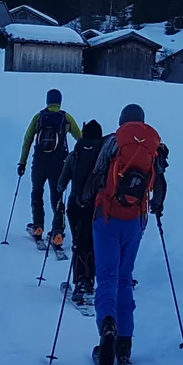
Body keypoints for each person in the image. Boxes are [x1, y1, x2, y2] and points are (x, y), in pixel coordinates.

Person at [90, 103, 168, 365]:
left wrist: (86, 201)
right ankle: (125, 344)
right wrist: (157, 208)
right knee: (125, 278)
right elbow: (160, 183)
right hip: (135, 220)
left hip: (106, 217)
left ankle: (107, 329)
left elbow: (96, 177)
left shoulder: (113, 141)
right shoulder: (155, 146)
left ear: (122, 121)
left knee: (107, 278)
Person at [17, 89, 80, 248]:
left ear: (47, 101)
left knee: (37, 193)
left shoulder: (38, 117)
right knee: (57, 197)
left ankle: (38, 227)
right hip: (59, 164)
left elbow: (27, 140)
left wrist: (22, 163)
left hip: (39, 162)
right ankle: (58, 233)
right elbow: (80, 138)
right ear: (60, 101)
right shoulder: (66, 118)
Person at [62, 118, 104, 307]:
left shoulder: (75, 153)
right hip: (97, 207)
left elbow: (61, 183)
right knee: (94, 243)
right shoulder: (104, 155)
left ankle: (81, 282)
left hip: (75, 206)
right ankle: (93, 281)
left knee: (79, 243)